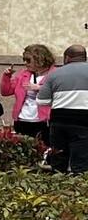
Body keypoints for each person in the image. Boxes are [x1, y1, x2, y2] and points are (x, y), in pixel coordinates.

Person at [38, 44, 88, 172]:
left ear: (66, 58)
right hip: (84, 122)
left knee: (58, 158)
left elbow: (42, 101)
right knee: (81, 161)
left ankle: (57, 184)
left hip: (59, 121)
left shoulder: (54, 74)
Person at [1, 44, 55, 151]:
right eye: (24, 60)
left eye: (28, 60)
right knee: (23, 150)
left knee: (43, 150)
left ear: (39, 59)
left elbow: (59, 93)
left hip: (43, 121)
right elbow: (6, 92)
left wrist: (40, 88)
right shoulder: (23, 74)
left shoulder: (54, 74)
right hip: (22, 119)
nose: (25, 63)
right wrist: (6, 76)